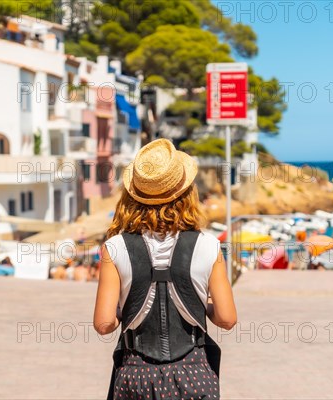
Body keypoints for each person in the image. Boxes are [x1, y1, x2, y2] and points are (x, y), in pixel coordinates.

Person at [94, 139, 237, 400]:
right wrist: (198, 302)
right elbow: (227, 319)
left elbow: (104, 324)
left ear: (133, 196)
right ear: (186, 193)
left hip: (136, 375)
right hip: (194, 373)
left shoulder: (114, 248)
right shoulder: (209, 246)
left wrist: (125, 307)